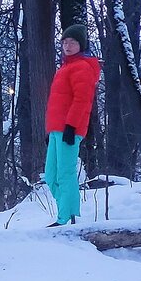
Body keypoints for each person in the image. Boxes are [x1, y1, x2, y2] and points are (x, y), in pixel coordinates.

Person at [43, 25, 101, 226]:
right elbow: (59, 102)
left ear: (81, 45)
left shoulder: (82, 67)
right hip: (57, 129)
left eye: (73, 42)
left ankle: (65, 217)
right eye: (65, 42)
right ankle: (67, 210)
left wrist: (71, 126)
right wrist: (50, 129)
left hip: (69, 129)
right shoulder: (65, 68)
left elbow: (82, 100)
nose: (67, 46)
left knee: (65, 173)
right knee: (51, 175)